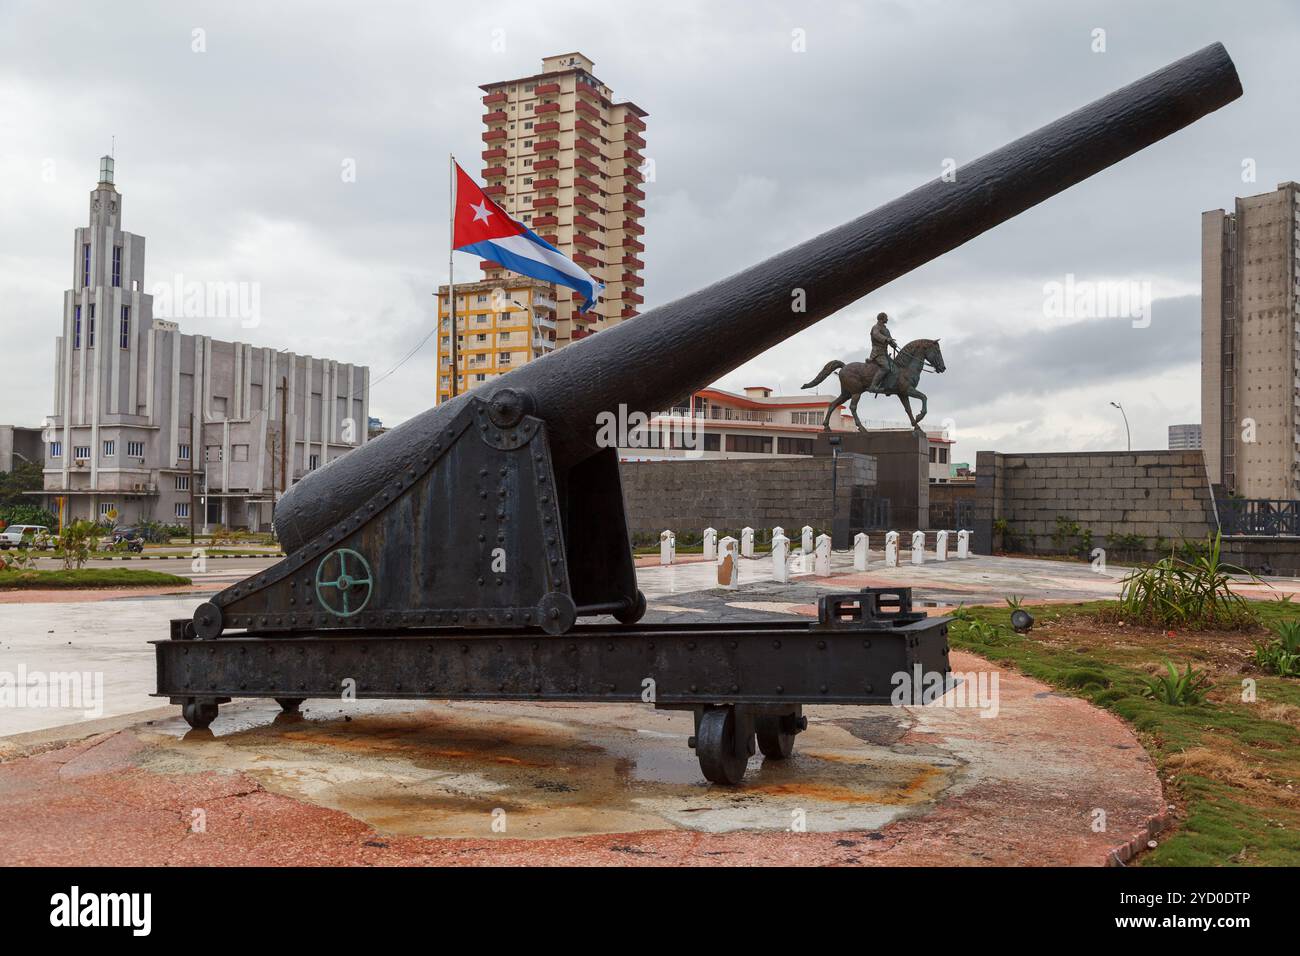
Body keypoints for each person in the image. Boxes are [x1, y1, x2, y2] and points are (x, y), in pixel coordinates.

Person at [867, 312, 898, 392]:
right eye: (886, 318)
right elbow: (876, 335)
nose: (887, 319)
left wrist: (893, 344)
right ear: (882, 318)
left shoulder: (886, 330)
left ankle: (888, 386)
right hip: (877, 353)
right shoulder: (876, 327)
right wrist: (886, 339)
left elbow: (889, 339)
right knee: (886, 367)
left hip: (885, 353)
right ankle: (873, 386)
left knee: (895, 368)